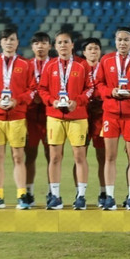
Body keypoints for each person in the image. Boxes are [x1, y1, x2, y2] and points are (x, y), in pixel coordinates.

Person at [0, 27, 35, 210]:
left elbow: (32, 89)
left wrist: (17, 101)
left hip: (17, 117)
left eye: (12, 39)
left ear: (17, 42)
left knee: (18, 156)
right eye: (5, 39)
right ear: (0, 42)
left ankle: (21, 195)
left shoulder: (26, 64)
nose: (9, 42)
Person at [38, 30, 92, 210]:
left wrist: (77, 102)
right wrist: (51, 101)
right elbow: (42, 89)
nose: (63, 45)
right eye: (59, 42)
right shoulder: (49, 66)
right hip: (54, 116)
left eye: (66, 42)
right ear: (55, 46)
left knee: (80, 156)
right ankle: (55, 196)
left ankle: (81, 196)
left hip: (77, 116)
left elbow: (90, 89)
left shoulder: (82, 65)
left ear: (72, 45)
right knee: (54, 157)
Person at [95, 27, 130, 210]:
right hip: (110, 114)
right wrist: (111, 91)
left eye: (126, 40)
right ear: (115, 41)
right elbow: (99, 84)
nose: (123, 43)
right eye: (119, 40)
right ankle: (109, 197)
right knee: (110, 156)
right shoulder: (106, 60)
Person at [79, 38, 108, 207]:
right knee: (79, 156)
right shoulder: (78, 68)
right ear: (84, 52)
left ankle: (103, 192)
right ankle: (80, 193)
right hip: (81, 116)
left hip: (100, 117)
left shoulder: (105, 68)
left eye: (96, 48)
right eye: (90, 48)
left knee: (102, 156)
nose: (93, 51)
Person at [25, 32, 51, 207]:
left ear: (49, 46)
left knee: (53, 156)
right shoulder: (25, 66)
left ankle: (52, 192)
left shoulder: (57, 65)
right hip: (30, 116)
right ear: (32, 47)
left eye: (43, 43)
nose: (40, 46)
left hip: (51, 115)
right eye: (36, 43)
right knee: (29, 156)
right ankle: (28, 192)